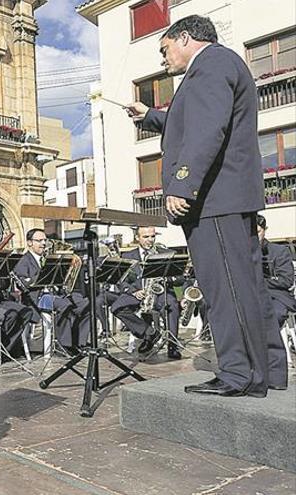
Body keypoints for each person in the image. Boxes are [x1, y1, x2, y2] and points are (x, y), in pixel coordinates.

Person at [125, 15, 286, 396]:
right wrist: (150, 117)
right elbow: (196, 121)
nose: (163, 59)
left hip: (213, 199)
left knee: (224, 288)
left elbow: (206, 129)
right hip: (227, 197)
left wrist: (183, 183)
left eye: (164, 49)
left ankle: (238, 375)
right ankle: (270, 370)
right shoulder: (222, 64)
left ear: (184, 38)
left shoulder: (208, 66)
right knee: (247, 286)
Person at [109, 227, 183, 360]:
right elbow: (122, 280)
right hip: (137, 293)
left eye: (152, 236)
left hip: (160, 294)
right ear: (137, 238)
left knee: (171, 304)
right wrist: (134, 291)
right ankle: (149, 334)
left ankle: (172, 346)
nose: (150, 240)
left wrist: (167, 278)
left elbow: (180, 279)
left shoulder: (167, 253)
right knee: (116, 307)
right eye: (146, 237)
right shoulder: (127, 256)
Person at [13, 229, 90, 353]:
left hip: (55, 293)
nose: (43, 243)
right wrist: (42, 276)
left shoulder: (48, 258)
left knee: (85, 303)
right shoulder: (23, 261)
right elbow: (23, 283)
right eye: (39, 241)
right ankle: (63, 345)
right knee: (64, 305)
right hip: (38, 298)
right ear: (29, 243)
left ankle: (80, 342)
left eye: (45, 240)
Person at [257, 215, 296, 330]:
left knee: (274, 315)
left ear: (265, 230)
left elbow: (286, 280)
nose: (255, 237)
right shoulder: (242, 254)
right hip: (252, 297)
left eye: (258, 232)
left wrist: (261, 282)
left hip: (277, 297)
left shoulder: (279, 251)